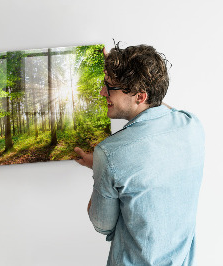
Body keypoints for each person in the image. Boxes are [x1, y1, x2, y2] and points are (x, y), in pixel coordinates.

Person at [74, 43, 205, 265]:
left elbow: (102, 224)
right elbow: (158, 106)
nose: (102, 92)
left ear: (140, 96)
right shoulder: (192, 125)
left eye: (110, 87)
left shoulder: (108, 153)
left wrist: (99, 167)